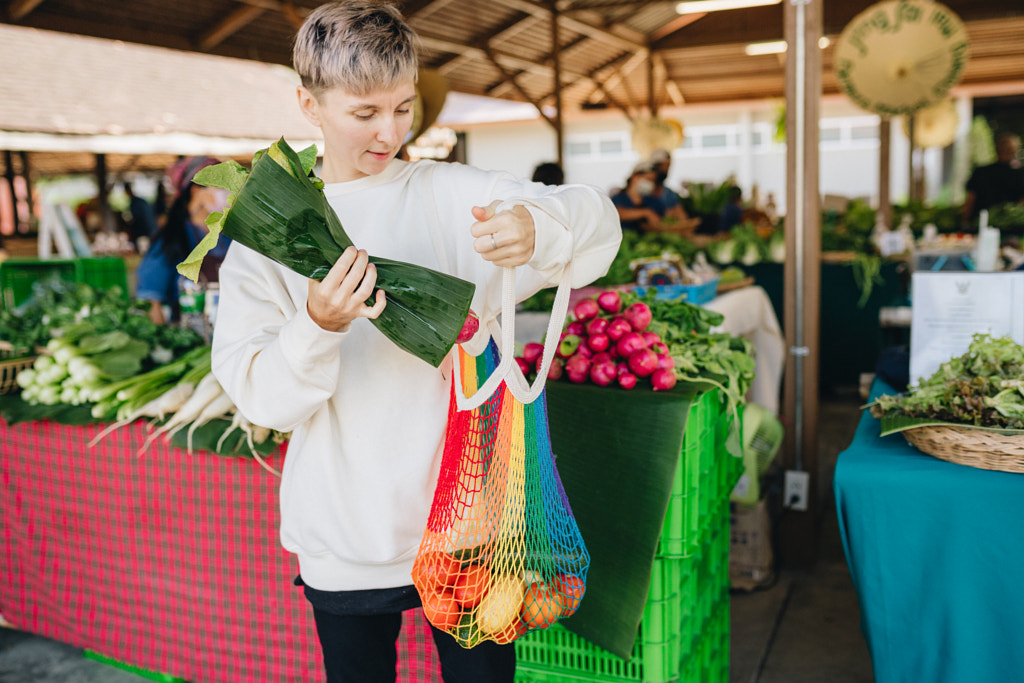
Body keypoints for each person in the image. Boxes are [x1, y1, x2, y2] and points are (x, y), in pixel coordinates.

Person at [208, 3, 621, 682]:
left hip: (470, 527)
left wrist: (538, 229)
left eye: (403, 108)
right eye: (365, 112)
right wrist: (317, 325)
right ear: (308, 103)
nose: (391, 132)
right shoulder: (271, 234)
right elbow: (259, 396)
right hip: (346, 531)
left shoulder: (449, 194)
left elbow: (596, 223)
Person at [135, 156, 230, 325]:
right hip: (192, 339)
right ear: (196, 191)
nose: (229, 192)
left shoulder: (230, 237)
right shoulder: (172, 238)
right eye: (221, 185)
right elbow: (151, 302)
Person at [962, 132, 1024, 227]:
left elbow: (970, 200)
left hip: (983, 224)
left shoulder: (981, 171)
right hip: (1008, 226)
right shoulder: (1019, 173)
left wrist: (965, 222)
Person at [646, 148, 700, 233]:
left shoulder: (669, 193)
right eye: (664, 166)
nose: (666, 170)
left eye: (668, 166)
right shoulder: (643, 192)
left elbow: (681, 215)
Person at [610, 161, 664, 234]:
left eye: (653, 181)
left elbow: (658, 223)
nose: (650, 184)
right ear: (635, 177)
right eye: (648, 179)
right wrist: (646, 213)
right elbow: (617, 213)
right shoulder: (618, 198)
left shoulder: (652, 201)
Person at [122, 181, 159, 250]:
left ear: (127, 191)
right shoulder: (139, 201)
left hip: (145, 230)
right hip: (150, 228)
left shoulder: (135, 202)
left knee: (145, 248)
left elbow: (136, 217)